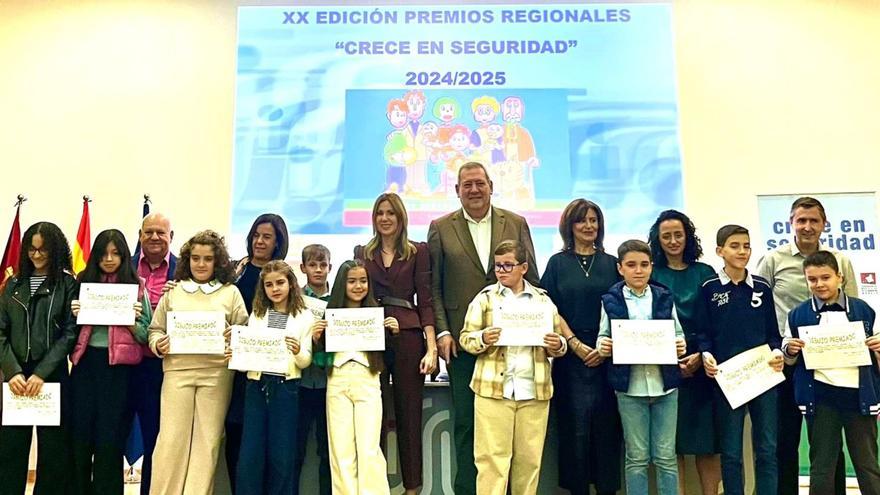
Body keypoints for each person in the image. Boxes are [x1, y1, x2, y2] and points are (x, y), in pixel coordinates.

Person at [427, 161, 538, 495]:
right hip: (461, 344)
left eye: (479, 183)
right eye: (467, 185)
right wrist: (444, 332)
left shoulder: (515, 223)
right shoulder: (440, 227)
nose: (474, 190)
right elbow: (434, 287)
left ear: (491, 185)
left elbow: (532, 279)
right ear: (457, 190)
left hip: (513, 343)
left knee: (508, 430)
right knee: (466, 423)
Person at [756, 196, 856, 495]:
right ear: (791, 223)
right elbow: (758, 307)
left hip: (830, 362)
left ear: (824, 224)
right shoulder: (774, 260)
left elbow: (853, 308)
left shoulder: (841, 261)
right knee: (785, 437)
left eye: (814, 220)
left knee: (827, 440)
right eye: (801, 220)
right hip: (787, 362)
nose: (807, 226)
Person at [459, 239, 566, 495]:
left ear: (524, 267)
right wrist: (483, 338)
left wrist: (557, 345)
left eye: (508, 265)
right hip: (493, 390)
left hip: (534, 390)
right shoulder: (484, 299)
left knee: (529, 464)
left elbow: (559, 343)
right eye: (498, 266)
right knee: (491, 463)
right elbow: (465, 338)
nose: (502, 271)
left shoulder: (543, 302)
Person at [148, 230, 248, 494]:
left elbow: (245, 334)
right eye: (195, 258)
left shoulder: (231, 293)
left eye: (207, 259)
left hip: (216, 375)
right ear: (187, 260)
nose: (201, 264)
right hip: (177, 373)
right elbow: (155, 330)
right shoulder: (174, 292)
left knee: (208, 442)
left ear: (218, 262)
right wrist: (159, 344)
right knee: (171, 441)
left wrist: (235, 338)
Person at [355, 193, 437, 495]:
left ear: (401, 217)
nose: (385, 218)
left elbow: (426, 300)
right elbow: (355, 297)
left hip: (409, 336)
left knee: (409, 413)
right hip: (370, 336)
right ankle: (373, 486)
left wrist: (431, 348)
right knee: (372, 414)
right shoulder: (363, 252)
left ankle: (412, 487)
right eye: (380, 213)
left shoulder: (418, 251)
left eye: (391, 213)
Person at [539, 199, 622, 495]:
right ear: (569, 225)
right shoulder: (557, 263)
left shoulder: (613, 263)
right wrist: (574, 343)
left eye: (593, 220)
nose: (589, 226)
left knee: (606, 430)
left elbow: (622, 308)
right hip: (570, 357)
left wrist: (603, 347)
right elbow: (549, 307)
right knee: (574, 432)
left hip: (608, 355)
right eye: (581, 220)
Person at [782, 251, 880, 495]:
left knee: (867, 463)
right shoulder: (796, 314)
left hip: (859, 396)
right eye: (812, 279)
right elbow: (788, 359)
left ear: (840, 277)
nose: (819, 284)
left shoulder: (865, 310)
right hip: (821, 397)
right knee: (822, 466)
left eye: (825, 277)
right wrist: (790, 350)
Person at [596, 240, 687, 495]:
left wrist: (680, 345)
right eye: (631, 265)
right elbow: (602, 337)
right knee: (636, 457)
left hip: (665, 386)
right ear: (620, 268)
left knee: (666, 457)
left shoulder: (664, 296)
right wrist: (605, 346)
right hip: (629, 387)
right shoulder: (611, 299)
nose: (638, 270)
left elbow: (678, 333)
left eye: (644, 265)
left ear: (652, 267)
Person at [698, 225, 784, 495]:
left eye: (746, 245)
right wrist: (706, 354)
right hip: (728, 380)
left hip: (764, 378)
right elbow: (703, 333)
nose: (742, 251)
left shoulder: (762, 287)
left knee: (767, 448)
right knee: (731, 451)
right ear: (719, 251)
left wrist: (777, 351)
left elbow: (773, 334)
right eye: (735, 246)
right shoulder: (710, 289)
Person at [69, 229, 152, 495]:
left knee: (110, 440)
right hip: (86, 366)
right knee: (80, 437)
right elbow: (67, 331)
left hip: (119, 371)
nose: (109, 259)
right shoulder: (82, 282)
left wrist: (131, 322)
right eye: (104, 253)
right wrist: (75, 314)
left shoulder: (137, 285)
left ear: (124, 255)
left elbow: (147, 333)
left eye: (116, 253)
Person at [0, 221, 77, 494]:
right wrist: (13, 372)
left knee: (54, 452)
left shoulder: (68, 284)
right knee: (10, 449)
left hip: (51, 375)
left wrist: (41, 373)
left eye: (43, 250)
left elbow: (70, 334)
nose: (37, 256)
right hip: (16, 376)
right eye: (32, 250)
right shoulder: (13, 283)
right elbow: (1, 332)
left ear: (55, 250)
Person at [647, 210, 720, 495]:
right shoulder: (651, 273)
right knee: (671, 445)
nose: (673, 241)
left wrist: (701, 356)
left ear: (688, 236)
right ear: (658, 240)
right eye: (667, 236)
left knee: (706, 443)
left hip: (703, 363)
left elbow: (716, 320)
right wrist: (671, 359)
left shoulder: (705, 273)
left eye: (679, 234)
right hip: (664, 364)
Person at [311, 259, 397, 495]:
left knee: (369, 449)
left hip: (367, 381)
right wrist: (317, 342)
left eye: (363, 281)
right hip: (337, 382)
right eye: (352, 281)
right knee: (341, 451)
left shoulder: (376, 315)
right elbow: (320, 364)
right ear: (342, 284)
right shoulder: (330, 315)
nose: (358, 286)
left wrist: (392, 335)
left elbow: (388, 359)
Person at [234, 260, 313, 494]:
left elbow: (306, 360)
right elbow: (249, 354)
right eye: (269, 285)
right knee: (250, 455)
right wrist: (236, 353)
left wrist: (298, 350)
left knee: (282, 455)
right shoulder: (258, 314)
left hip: (286, 387)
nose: (275, 289)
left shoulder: (304, 316)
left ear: (291, 284)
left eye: (280, 283)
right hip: (256, 386)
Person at [228, 213, 290, 492]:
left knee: (268, 447)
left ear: (278, 242)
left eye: (267, 236)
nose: (259, 241)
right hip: (234, 369)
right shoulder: (235, 272)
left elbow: (282, 321)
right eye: (256, 235)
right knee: (237, 437)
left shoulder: (283, 277)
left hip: (268, 371)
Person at [128, 212, 176, 495]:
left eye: (161, 232)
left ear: (171, 237)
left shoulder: (185, 272)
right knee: (111, 437)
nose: (154, 237)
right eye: (149, 232)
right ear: (140, 236)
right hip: (122, 364)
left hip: (162, 368)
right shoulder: (125, 267)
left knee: (155, 439)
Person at [294, 244, 333, 495]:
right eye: (312, 265)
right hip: (299, 382)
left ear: (330, 267)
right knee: (294, 449)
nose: (318, 270)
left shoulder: (339, 299)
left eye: (323, 265)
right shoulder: (294, 298)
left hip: (329, 384)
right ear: (303, 268)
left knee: (327, 451)